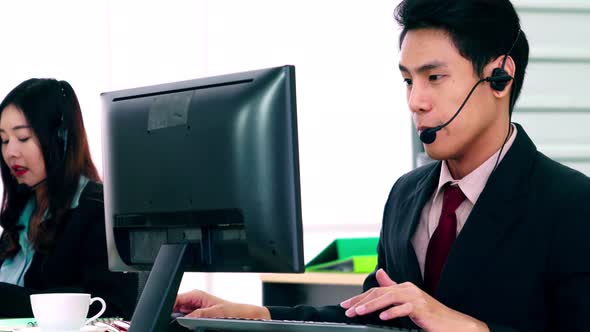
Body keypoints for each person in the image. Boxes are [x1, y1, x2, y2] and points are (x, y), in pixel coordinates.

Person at [173, 0, 590, 331]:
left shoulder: (571, 204)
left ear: (499, 77)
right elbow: (373, 316)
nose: (415, 102)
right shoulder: (407, 194)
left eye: (435, 78)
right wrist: (256, 316)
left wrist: (466, 328)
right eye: (409, 80)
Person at [0, 78, 138, 318]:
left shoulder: (98, 210)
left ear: (62, 138)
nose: (11, 152)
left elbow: (112, 308)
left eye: (22, 138)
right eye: (3, 140)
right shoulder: (22, 214)